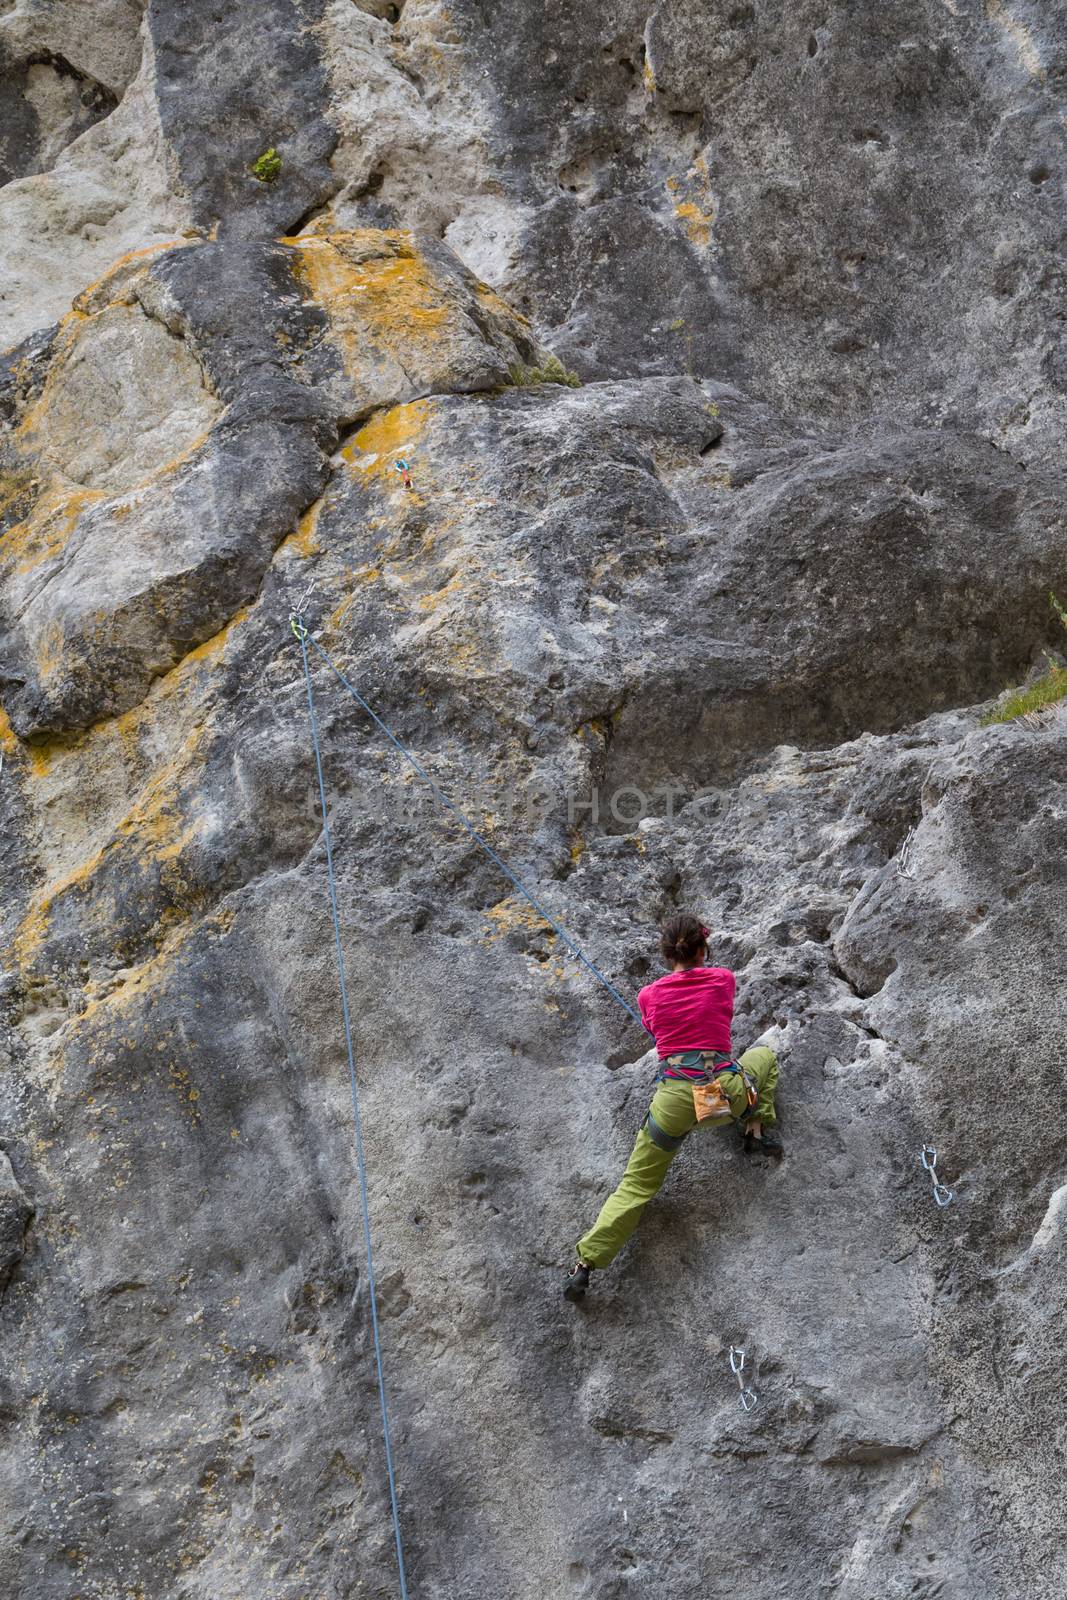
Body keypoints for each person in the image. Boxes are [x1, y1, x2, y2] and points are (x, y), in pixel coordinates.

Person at [564, 912, 781, 1301]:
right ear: (703, 947)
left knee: (635, 1185)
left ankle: (586, 1265)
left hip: (675, 1101)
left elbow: (654, 1027)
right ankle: (754, 1131)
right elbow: (717, 1013)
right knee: (764, 1055)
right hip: (724, 1091)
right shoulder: (723, 980)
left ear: (667, 953)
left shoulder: (648, 995)